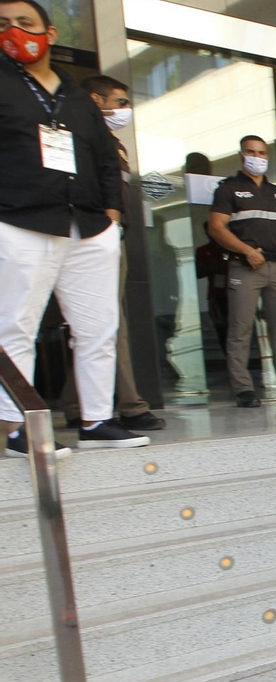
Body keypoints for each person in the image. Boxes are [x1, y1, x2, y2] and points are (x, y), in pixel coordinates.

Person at [0, 0, 147, 454]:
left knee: (98, 328)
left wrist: (112, 214)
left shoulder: (78, 96)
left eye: (24, 22)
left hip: (88, 227)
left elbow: (105, 158)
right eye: (3, 24)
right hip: (21, 221)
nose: (14, 31)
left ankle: (96, 420)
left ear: (50, 32)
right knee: (16, 327)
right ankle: (17, 429)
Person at [53, 74, 164, 432]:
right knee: (108, 323)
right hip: (82, 235)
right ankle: (130, 406)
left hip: (107, 237)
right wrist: (108, 225)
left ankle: (77, 404)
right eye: (119, 103)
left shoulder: (112, 144)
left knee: (98, 325)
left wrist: (114, 226)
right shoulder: (71, 135)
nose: (125, 110)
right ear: (95, 101)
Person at [207, 135, 276, 408]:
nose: (257, 157)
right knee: (241, 329)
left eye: (261, 153)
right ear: (241, 155)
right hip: (245, 266)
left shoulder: (275, 192)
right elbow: (216, 228)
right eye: (251, 152)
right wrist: (247, 251)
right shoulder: (228, 189)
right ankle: (243, 390)